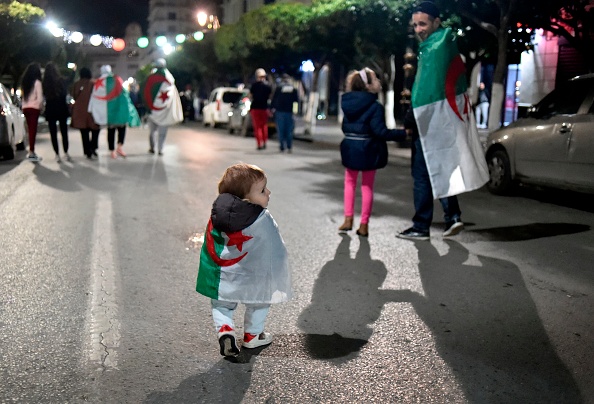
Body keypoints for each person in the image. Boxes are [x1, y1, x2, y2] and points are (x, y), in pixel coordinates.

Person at [397, 1, 488, 240]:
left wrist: (412, 115)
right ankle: (453, 216)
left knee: (422, 175)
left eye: (423, 23)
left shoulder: (435, 46)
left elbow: (425, 89)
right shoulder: (440, 46)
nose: (418, 29)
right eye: (415, 25)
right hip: (440, 119)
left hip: (428, 120)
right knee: (442, 167)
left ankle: (421, 226)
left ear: (437, 22)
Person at [196, 163, 291, 357]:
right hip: (256, 275)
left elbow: (210, 246)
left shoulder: (217, 217)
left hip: (226, 274)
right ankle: (252, 336)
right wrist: (279, 268)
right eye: (263, 190)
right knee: (260, 301)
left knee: (222, 303)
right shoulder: (262, 218)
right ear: (247, 199)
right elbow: (275, 247)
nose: (269, 192)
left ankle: (225, 330)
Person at [338, 68, 407, 237]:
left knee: (349, 183)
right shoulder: (375, 106)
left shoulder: (347, 103)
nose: (379, 82)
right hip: (368, 148)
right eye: (375, 79)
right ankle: (363, 224)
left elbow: (344, 126)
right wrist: (403, 133)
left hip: (351, 146)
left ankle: (348, 219)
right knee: (367, 186)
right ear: (367, 85)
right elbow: (380, 132)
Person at [88, 65, 140, 159]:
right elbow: (125, 94)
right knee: (122, 129)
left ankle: (112, 151)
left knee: (111, 131)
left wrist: (92, 109)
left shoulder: (99, 83)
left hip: (110, 113)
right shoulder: (117, 79)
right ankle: (120, 147)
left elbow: (95, 98)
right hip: (120, 110)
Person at [142, 58, 183, 155]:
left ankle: (153, 148)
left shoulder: (150, 78)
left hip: (152, 111)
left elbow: (145, 91)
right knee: (162, 133)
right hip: (165, 110)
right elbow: (172, 95)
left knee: (152, 132)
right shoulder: (170, 79)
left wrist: (148, 106)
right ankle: (160, 149)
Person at [43, 62, 71, 162]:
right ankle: (66, 152)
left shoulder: (45, 83)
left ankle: (57, 154)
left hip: (51, 109)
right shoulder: (61, 81)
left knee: (53, 133)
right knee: (64, 132)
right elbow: (65, 91)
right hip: (62, 108)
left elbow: (44, 96)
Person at [71, 67, 100, 159]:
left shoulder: (76, 84)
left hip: (80, 110)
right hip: (92, 110)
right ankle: (93, 147)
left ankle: (87, 151)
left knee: (84, 132)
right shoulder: (93, 84)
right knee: (95, 129)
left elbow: (75, 96)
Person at [20, 63, 43, 162]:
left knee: (30, 129)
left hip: (25, 108)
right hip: (34, 108)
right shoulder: (37, 82)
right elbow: (40, 98)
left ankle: (31, 151)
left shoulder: (25, 82)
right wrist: (40, 107)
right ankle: (32, 152)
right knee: (33, 130)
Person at [271, 74, 299, 153]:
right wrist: (295, 112)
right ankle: (289, 146)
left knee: (281, 130)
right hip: (289, 112)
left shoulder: (279, 88)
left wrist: (272, 109)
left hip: (280, 112)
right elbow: (296, 102)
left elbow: (274, 99)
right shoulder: (293, 89)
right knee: (289, 130)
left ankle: (282, 146)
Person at [248, 68, 272, 150]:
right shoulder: (268, 86)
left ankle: (259, 144)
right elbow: (270, 96)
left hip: (255, 108)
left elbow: (250, 96)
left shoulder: (254, 85)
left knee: (257, 127)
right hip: (264, 108)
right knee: (264, 126)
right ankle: (265, 141)